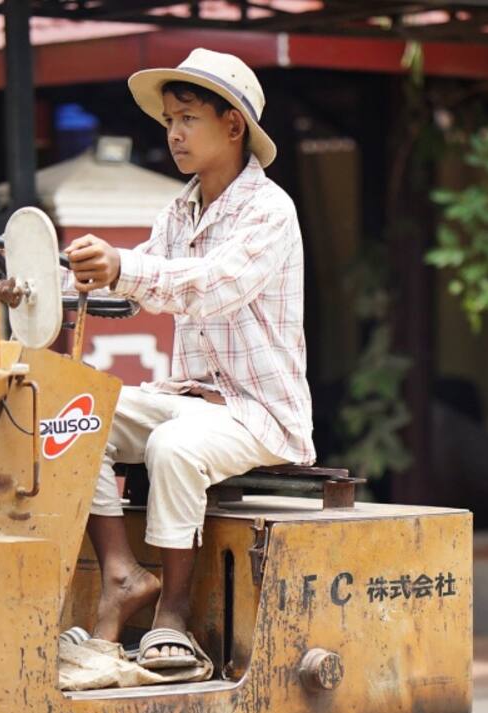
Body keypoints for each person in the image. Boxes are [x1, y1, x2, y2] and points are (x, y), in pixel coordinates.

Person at [61, 49, 314, 670]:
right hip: (191, 397)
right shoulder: (179, 210)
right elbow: (140, 278)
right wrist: (55, 280)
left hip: (259, 412)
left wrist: (123, 267)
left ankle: (171, 614)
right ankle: (121, 574)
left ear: (233, 126)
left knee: (173, 448)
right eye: (169, 120)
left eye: (188, 118)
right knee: (71, 417)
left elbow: (209, 283)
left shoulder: (269, 210)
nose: (173, 133)